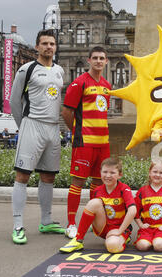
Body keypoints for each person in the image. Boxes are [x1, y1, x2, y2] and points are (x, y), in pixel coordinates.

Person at [9, 29, 65, 244]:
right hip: (32, 125)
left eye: (52, 43)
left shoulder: (59, 70)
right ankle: (17, 225)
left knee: (48, 176)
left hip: (53, 128)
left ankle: (46, 220)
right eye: (44, 43)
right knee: (22, 175)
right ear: (37, 46)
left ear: (55, 47)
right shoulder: (27, 69)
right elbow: (15, 102)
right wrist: (23, 127)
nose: (48, 47)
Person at [62, 46, 112, 239]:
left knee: (98, 182)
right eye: (95, 58)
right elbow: (67, 111)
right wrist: (76, 133)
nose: (99, 61)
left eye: (102, 58)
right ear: (89, 60)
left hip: (103, 141)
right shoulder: (79, 83)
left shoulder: (107, 85)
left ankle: (90, 219)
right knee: (78, 181)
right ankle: (72, 223)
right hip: (84, 141)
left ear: (106, 62)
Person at [59, 157, 136, 253]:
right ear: (100, 173)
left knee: (112, 246)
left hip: (119, 228)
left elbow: (133, 210)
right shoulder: (97, 190)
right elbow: (93, 211)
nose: (108, 175)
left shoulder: (124, 189)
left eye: (112, 173)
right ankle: (78, 240)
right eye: (105, 172)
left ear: (120, 175)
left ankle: (122, 238)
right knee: (94, 203)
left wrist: (120, 231)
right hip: (103, 227)